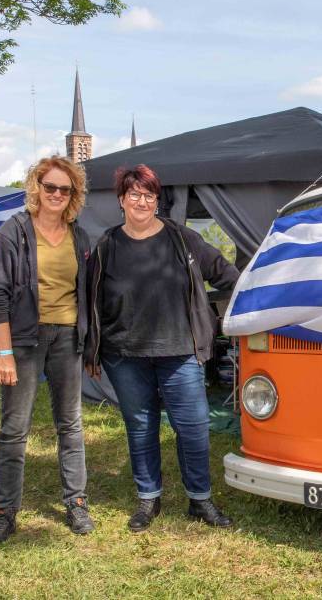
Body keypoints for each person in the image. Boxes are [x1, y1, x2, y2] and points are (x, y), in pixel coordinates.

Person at [85, 164, 241, 532]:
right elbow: (91, 301)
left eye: (149, 195)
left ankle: (199, 500)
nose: (142, 201)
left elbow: (226, 274)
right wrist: (92, 348)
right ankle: (148, 498)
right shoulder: (107, 245)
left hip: (180, 351)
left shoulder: (183, 239)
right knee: (140, 426)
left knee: (194, 427)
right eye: (134, 194)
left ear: (157, 200)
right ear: (122, 200)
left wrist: (233, 311)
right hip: (124, 355)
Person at [0, 156, 94, 547]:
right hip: (25, 340)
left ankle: (76, 502)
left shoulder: (79, 237)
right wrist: (5, 353)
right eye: (51, 188)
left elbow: (88, 292)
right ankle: (5, 512)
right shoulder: (13, 233)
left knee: (71, 425)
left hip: (66, 338)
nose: (57, 195)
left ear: (73, 194)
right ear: (37, 189)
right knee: (15, 429)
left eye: (66, 189)